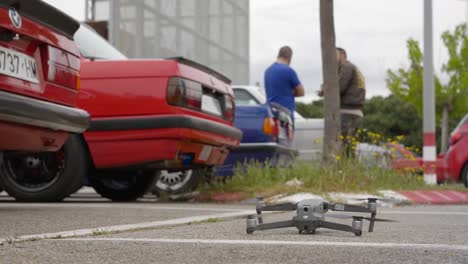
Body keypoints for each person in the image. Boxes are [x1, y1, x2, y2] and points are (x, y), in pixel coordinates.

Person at [319, 47, 366, 153]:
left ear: (342, 56)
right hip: (355, 113)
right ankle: (350, 168)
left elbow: (338, 88)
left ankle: (344, 169)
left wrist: (325, 90)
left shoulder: (346, 67)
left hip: (347, 114)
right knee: (349, 149)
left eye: (334, 55)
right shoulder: (354, 69)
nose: (332, 59)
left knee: (343, 149)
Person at [264, 46, 305, 123]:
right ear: (290, 57)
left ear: (278, 55)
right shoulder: (289, 71)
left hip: (270, 113)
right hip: (286, 114)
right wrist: (291, 91)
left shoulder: (267, 71)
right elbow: (302, 92)